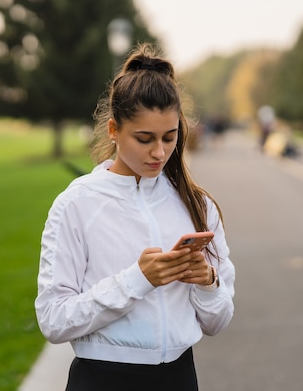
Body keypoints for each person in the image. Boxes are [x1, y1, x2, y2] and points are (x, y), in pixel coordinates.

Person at [35, 43, 235, 391]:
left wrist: (207, 282)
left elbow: (218, 322)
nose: (159, 152)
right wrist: (137, 280)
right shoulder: (76, 205)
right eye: (145, 139)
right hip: (101, 380)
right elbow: (53, 319)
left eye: (169, 137)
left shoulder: (197, 205)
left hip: (178, 378)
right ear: (113, 130)